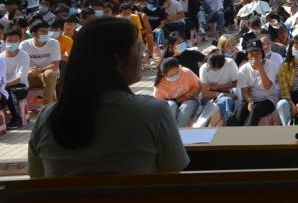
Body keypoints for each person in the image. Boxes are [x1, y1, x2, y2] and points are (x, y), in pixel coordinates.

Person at [28, 17, 188, 177]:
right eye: (139, 49)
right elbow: (173, 170)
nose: (144, 55)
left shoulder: (47, 117)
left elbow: (36, 176)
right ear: (117, 61)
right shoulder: (154, 112)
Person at [21, 21, 60, 106]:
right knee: (19, 76)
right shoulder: (24, 45)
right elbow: (20, 64)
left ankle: (46, 107)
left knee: (50, 74)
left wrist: (40, 70)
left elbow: (55, 65)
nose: (46, 34)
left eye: (47, 31)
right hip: (31, 75)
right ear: (33, 34)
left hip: (47, 75)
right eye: (43, 31)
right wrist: (28, 71)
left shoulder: (54, 43)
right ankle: (20, 107)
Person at [153, 58, 201, 126]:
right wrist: (175, 101)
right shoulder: (159, 82)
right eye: (171, 76)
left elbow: (197, 87)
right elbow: (158, 102)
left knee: (186, 108)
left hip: (188, 100)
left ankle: (179, 129)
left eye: (177, 73)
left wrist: (187, 96)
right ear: (164, 74)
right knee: (171, 106)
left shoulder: (186, 72)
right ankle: (170, 128)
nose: (175, 77)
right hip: (170, 102)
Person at [3, 27, 30, 129]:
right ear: (4, 40)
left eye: (15, 40)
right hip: (4, 86)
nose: (12, 43)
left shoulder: (24, 55)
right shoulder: (1, 57)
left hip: (21, 87)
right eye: (9, 40)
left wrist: (3, 85)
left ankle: (17, 118)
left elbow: (20, 78)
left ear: (20, 40)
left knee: (9, 90)